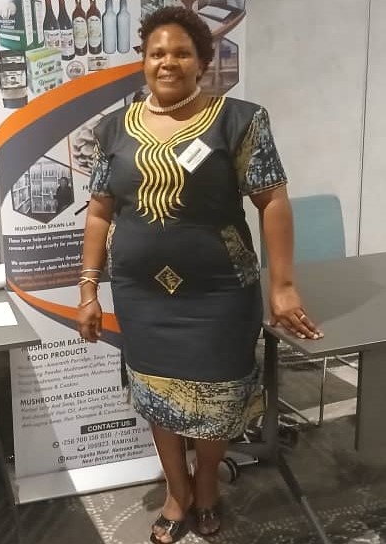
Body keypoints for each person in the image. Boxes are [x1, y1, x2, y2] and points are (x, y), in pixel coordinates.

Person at [77, 7, 323, 543]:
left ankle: (207, 482)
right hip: (142, 298)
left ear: (202, 62)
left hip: (220, 295)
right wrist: (88, 288)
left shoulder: (240, 120)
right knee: (158, 397)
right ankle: (177, 491)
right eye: (157, 53)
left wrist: (283, 285)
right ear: (143, 60)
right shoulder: (112, 129)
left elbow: (272, 200)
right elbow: (98, 212)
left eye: (181, 53)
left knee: (217, 398)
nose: (168, 62)